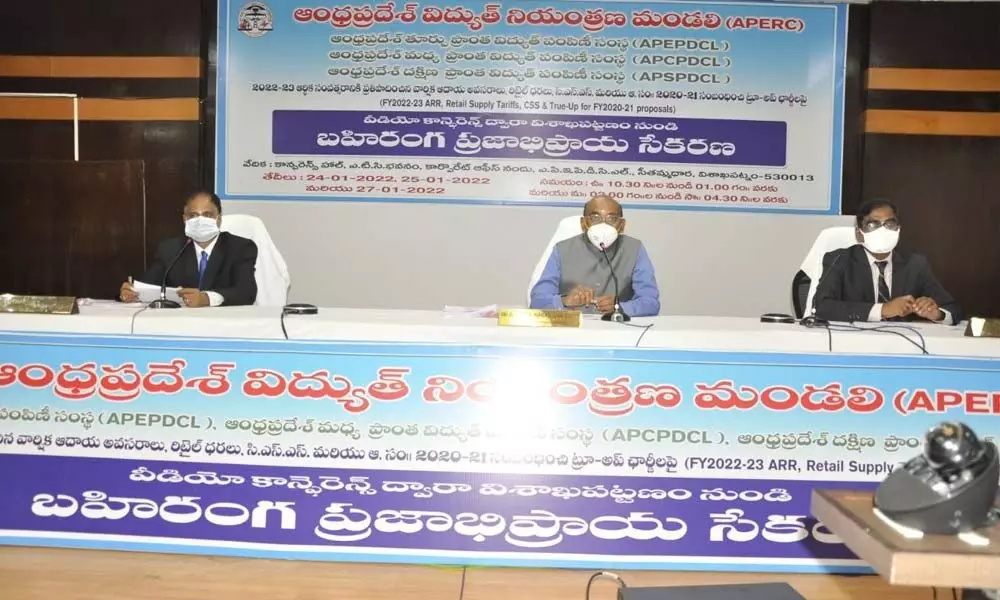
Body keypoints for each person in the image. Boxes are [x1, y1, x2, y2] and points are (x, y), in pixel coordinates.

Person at [814, 199, 961, 324]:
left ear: (898, 229)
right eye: (873, 225)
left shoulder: (915, 263)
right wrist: (883, 309)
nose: (883, 230)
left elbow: (954, 309)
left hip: (903, 347)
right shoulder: (840, 259)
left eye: (890, 224)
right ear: (859, 234)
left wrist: (937, 314)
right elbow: (822, 307)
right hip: (853, 344)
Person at [119, 191, 258, 307]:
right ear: (185, 220)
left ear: (219, 219)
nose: (200, 220)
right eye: (193, 215)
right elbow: (148, 285)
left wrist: (206, 298)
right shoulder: (170, 249)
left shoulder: (240, 247)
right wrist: (132, 292)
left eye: (207, 215)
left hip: (225, 326)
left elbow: (246, 292)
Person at [530, 195, 660, 317]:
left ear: (621, 225)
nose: (603, 225)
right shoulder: (562, 249)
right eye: (595, 218)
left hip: (617, 330)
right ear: (583, 223)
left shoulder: (635, 249)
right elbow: (537, 300)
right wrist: (564, 301)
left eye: (611, 219)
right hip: (572, 330)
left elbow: (651, 302)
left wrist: (620, 307)